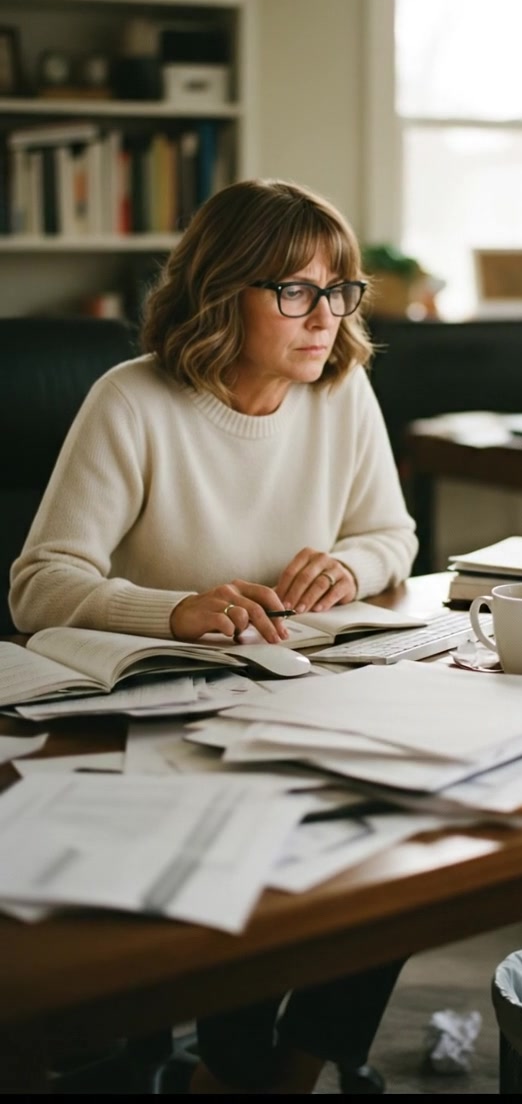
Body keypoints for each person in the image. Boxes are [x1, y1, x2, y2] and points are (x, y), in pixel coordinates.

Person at [9, 177, 418, 1094]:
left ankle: (293, 1069)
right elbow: (37, 583)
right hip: (169, 722)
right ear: (221, 292)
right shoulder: (133, 402)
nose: (326, 317)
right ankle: (236, 1072)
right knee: (259, 858)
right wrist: (174, 608)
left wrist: (350, 566)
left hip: (309, 701)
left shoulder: (341, 392)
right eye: (296, 291)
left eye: (340, 288)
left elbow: (395, 534)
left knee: (395, 860)